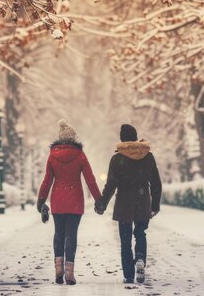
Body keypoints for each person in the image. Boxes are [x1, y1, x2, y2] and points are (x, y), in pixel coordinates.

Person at [37, 119, 102, 285]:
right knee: (71, 235)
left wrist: (41, 200)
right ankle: (69, 274)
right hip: (75, 201)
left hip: (58, 201)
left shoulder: (53, 156)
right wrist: (99, 200)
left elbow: (47, 181)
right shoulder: (80, 155)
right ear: (73, 138)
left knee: (58, 233)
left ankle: (58, 271)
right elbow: (90, 180)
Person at [95, 124, 161, 284]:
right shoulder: (148, 156)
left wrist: (102, 203)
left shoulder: (117, 158)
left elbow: (111, 184)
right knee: (140, 234)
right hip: (143, 200)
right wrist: (155, 205)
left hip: (124, 202)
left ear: (122, 139)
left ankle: (129, 275)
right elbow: (156, 182)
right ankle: (140, 258)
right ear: (135, 137)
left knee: (125, 241)